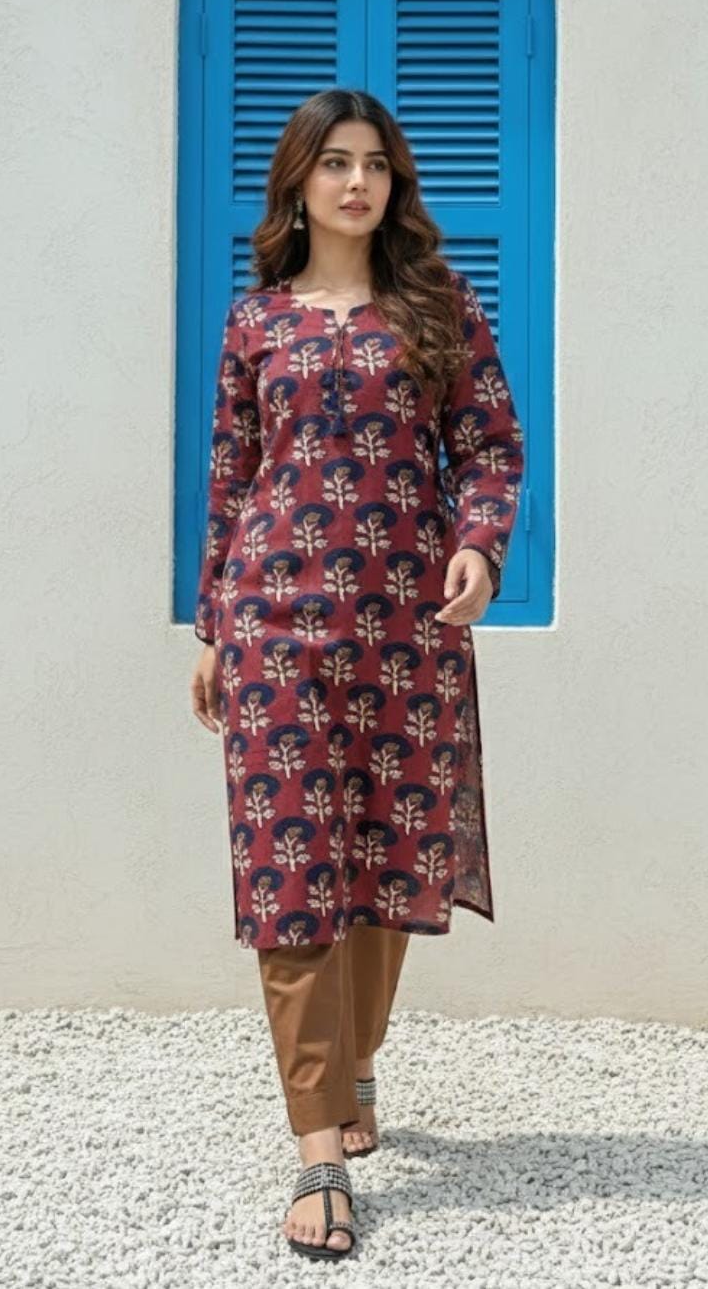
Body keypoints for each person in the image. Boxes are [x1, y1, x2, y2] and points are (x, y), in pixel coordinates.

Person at [189, 88, 524, 1259]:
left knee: (385, 864)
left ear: (394, 183)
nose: (355, 183)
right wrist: (213, 627)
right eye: (333, 163)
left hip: (404, 633)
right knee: (291, 870)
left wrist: (478, 542)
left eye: (374, 163)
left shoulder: (439, 308)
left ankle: (360, 1061)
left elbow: (489, 440)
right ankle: (316, 1146)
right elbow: (231, 481)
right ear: (300, 183)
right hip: (279, 624)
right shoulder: (256, 324)